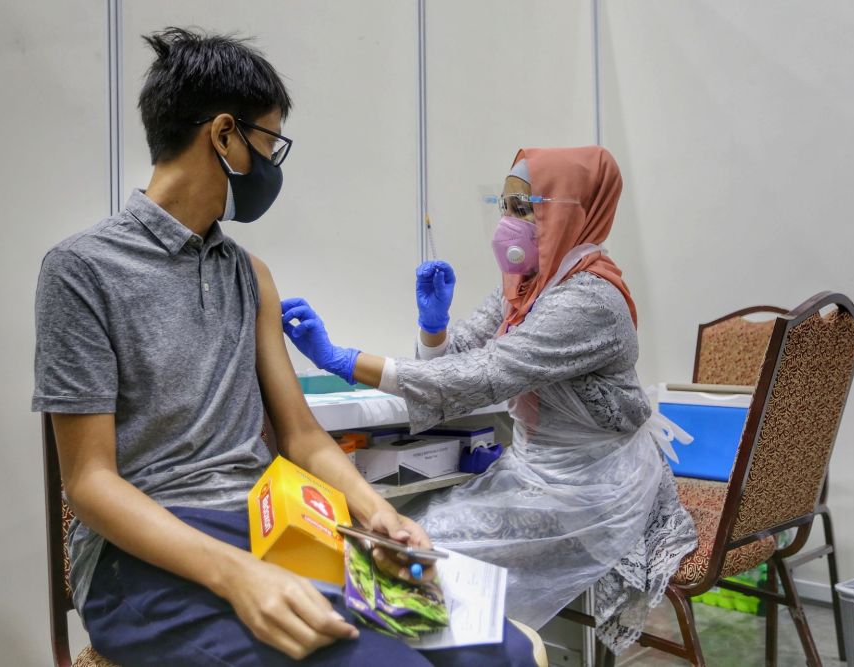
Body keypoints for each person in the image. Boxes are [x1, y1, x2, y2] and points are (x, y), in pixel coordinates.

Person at [32, 28, 536, 667]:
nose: (272, 163)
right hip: (145, 557)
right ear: (223, 135)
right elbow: (89, 483)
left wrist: (377, 512)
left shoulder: (250, 274)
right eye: (268, 142)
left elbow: (299, 436)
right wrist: (236, 574)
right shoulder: (82, 269)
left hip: (269, 527)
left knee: (502, 651)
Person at [282, 145, 699, 655]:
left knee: (417, 553)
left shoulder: (589, 299)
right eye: (503, 206)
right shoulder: (526, 286)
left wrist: (345, 360)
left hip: (591, 489)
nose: (508, 222)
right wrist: (434, 328)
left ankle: (448, 653)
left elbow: (485, 374)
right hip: (538, 473)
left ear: (568, 210)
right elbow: (456, 359)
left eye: (525, 209)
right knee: (415, 538)